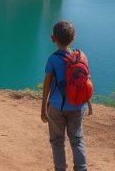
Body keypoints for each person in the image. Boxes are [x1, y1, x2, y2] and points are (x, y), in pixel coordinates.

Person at [40, 21, 93, 171]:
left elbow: (47, 85)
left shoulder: (53, 59)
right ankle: (81, 168)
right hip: (77, 106)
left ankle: (60, 168)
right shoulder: (81, 57)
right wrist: (88, 103)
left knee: (57, 141)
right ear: (73, 38)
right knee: (77, 139)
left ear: (53, 38)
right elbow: (86, 82)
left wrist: (43, 107)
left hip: (57, 107)